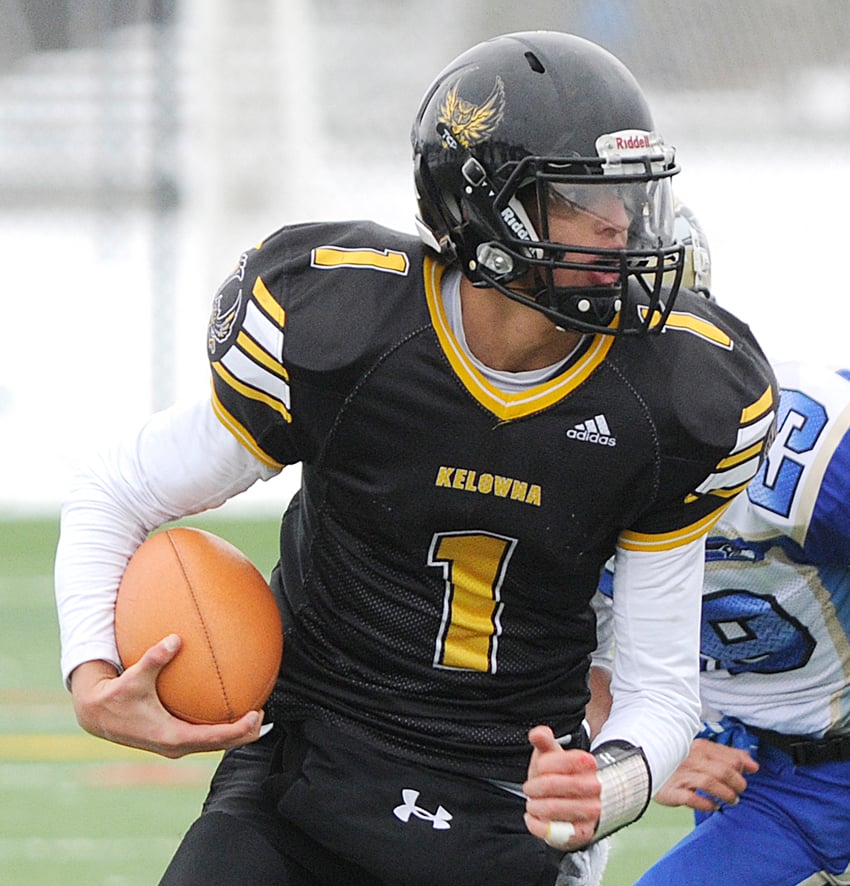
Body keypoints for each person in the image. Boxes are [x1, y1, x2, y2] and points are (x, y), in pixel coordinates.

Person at [53, 32, 777, 886]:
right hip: (307, 767)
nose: (619, 225)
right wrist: (93, 673)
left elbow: (658, 693)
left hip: (506, 800)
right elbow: (117, 488)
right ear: (487, 210)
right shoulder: (344, 329)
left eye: (630, 195)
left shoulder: (678, 398)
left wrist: (606, 786)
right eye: (583, 195)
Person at [593, 206, 850, 886]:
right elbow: (561, 667)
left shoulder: (808, 441)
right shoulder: (535, 465)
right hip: (764, 783)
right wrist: (645, 752)